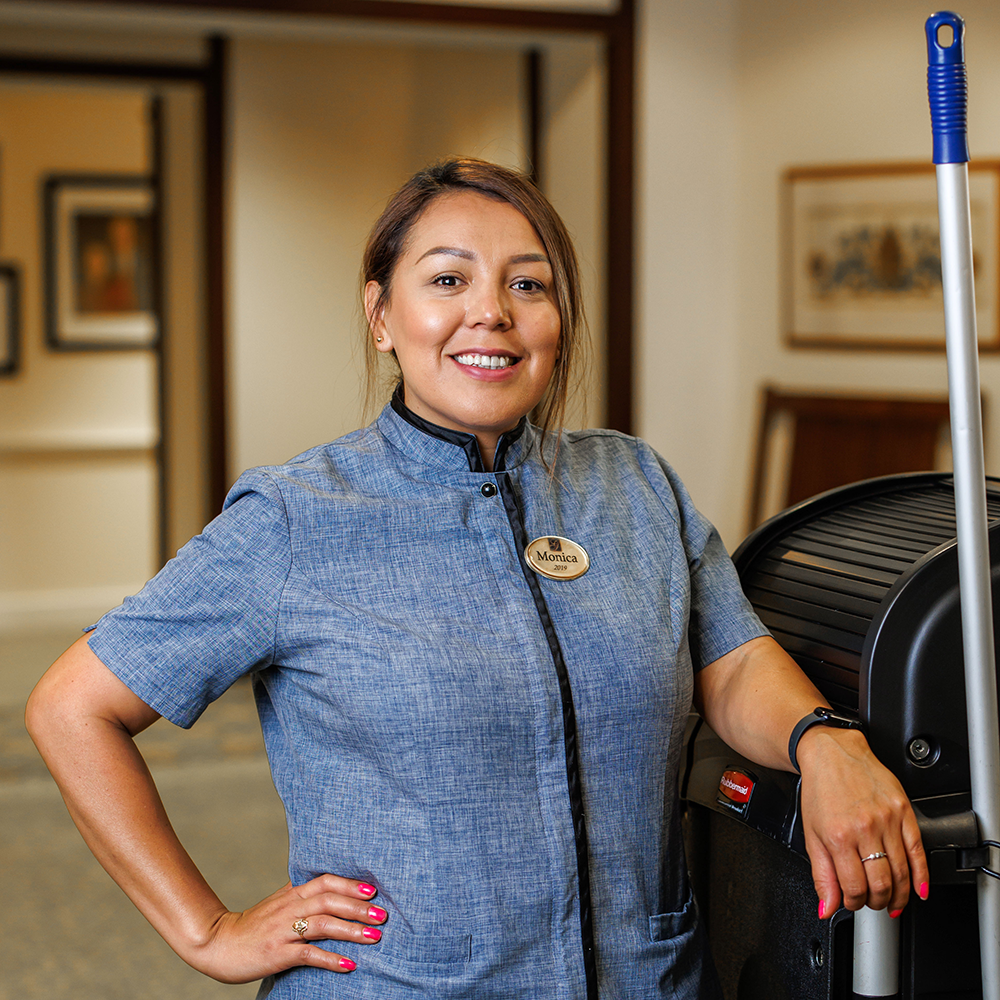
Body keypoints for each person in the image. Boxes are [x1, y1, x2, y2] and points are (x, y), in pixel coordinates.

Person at [26, 158, 928, 999]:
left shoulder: (634, 486)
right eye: (448, 280)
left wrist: (824, 741)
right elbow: (74, 708)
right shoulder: (296, 518)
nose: (490, 312)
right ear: (382, 315)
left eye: (526, 283)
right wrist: (207, 930)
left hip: (643, 977)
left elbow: (728, 661)